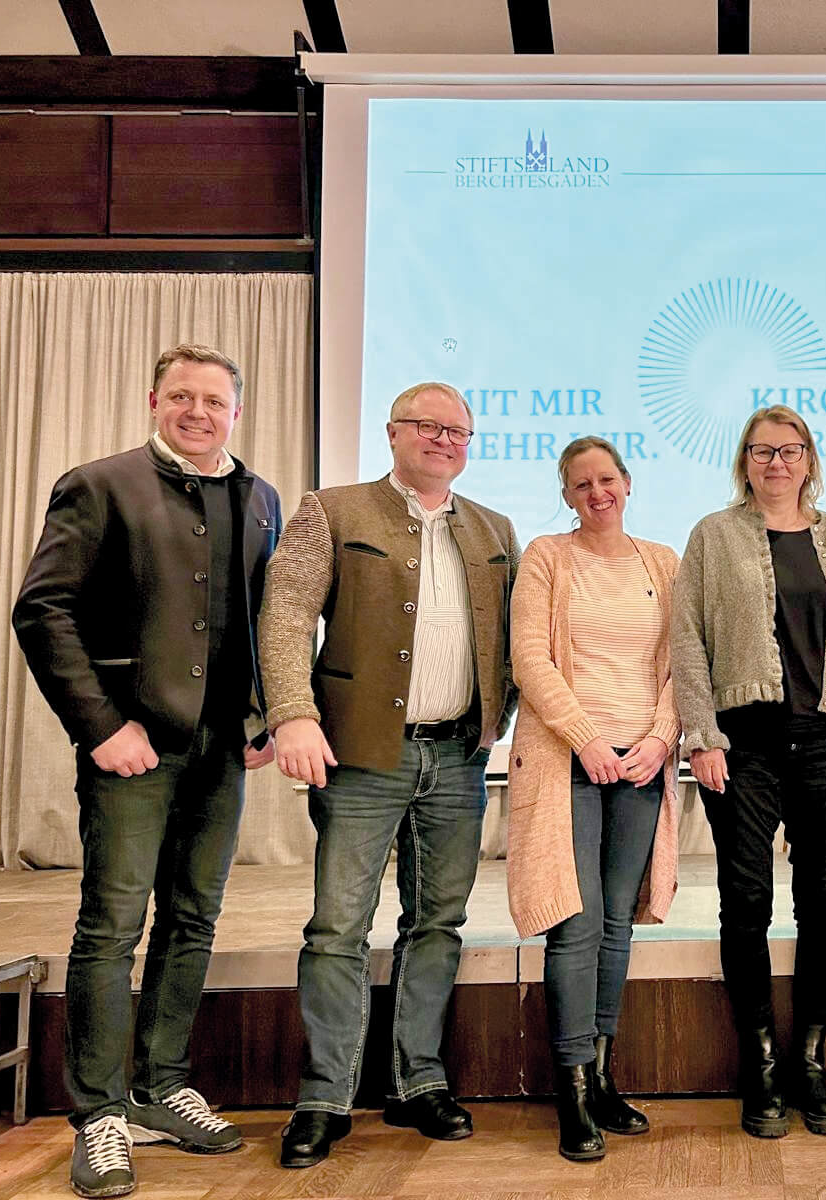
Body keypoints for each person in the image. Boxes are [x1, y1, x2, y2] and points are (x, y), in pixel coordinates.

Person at [13, 344, 281, 1198]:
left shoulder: (261, 495)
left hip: (220, 753)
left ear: (235, 412)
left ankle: (163, 1087)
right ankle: (99, 1114)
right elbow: (43, 610)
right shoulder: (99, 484)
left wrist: (264, 712)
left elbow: (264, 618)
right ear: (154, 401)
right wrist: (100, 726)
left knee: (194, 921)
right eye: (183, 397)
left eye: (215, 400)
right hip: (133, 746)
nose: (199, 412)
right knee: (111, 927)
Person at [258, 381, 520, 1167]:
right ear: (394, 432)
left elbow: (509, 638)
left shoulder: (494, 528)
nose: (445, 440)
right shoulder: (332, 511)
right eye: (429, 427)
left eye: (459, 431)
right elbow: (286, 613)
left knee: (436, 923)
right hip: (362, 756)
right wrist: (291, 713)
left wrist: (494, 722)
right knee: (338, 927)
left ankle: (418, 1081)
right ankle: (324, 1095)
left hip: (459, 759)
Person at [671, 404, 826, 1138]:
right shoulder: (714, 535)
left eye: (790, 450)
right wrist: (700, 733)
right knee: (745, 901)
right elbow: (688, 640)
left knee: (824, 900)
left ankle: (811, 1059)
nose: (777, 463)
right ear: (745, 460)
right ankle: (760, 1065)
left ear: (809, 460)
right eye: (763, 451)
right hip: (743, 745)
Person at [507, 436, 681, 1161]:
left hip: (641, 764)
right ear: (568, 494)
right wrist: (583, 737)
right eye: (581, 484)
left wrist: (661, 737)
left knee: (617, 924)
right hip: (568, 763)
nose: (596, 493)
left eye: (606, 479)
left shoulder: (664, 562)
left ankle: (603, 1077)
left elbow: (683, 663)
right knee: (573, 926)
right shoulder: (547, 557)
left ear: (627, 483)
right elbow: (529, 657)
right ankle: (571, 1090)